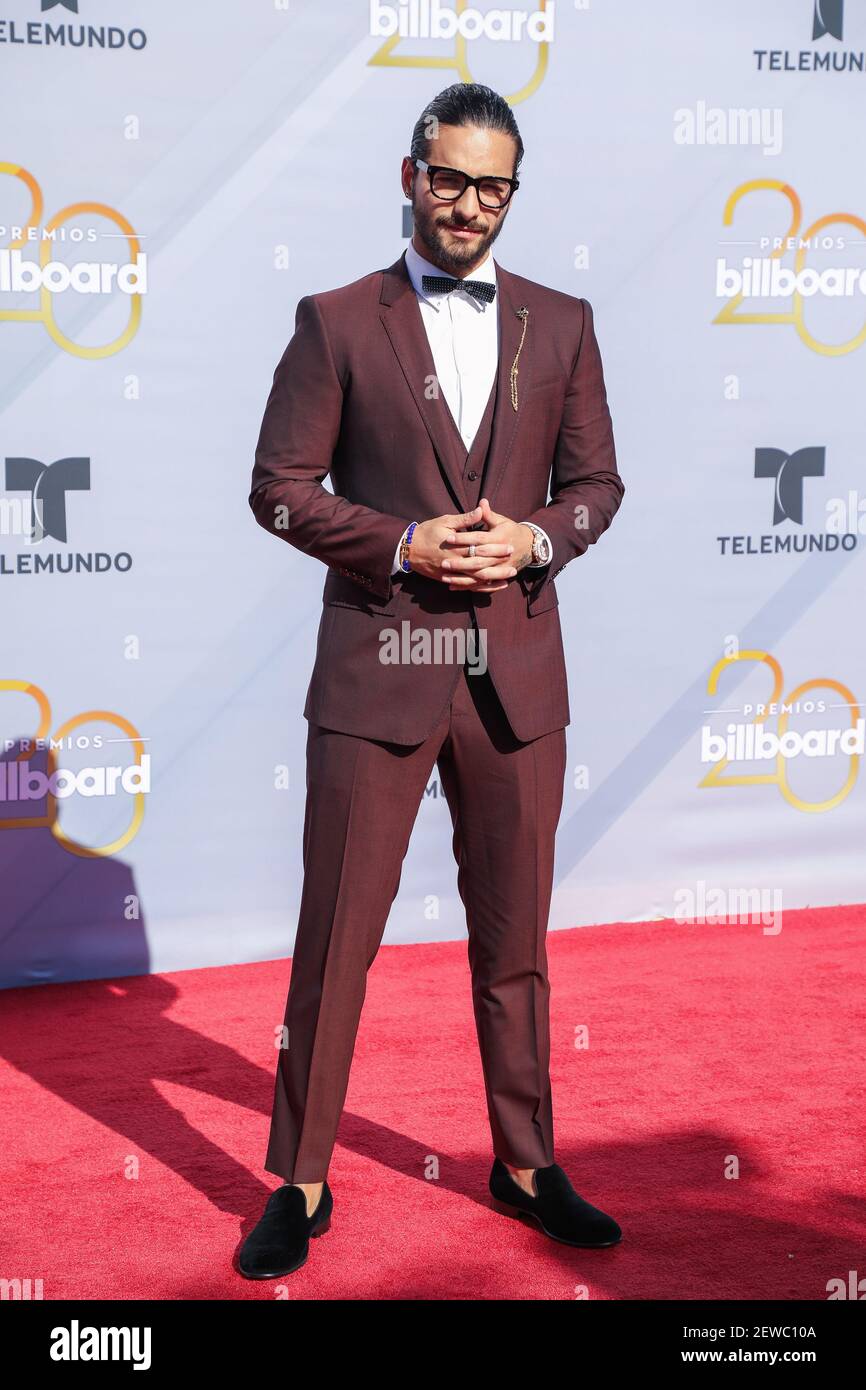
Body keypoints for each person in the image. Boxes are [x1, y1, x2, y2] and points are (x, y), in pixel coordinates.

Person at [239, 82, 625, 1280]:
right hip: (378, 668)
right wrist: (401, 544)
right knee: (334, 939)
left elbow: (597, 486)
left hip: (515, 677)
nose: (468, 204)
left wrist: (537, 540)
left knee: (515, 942)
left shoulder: (561, 323)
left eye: (491, 185)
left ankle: (523, 1163)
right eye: (449, 178)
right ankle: (298, 1181)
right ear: (408, 174)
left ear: (513, 192)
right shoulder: (335, 319)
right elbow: (278, 488)